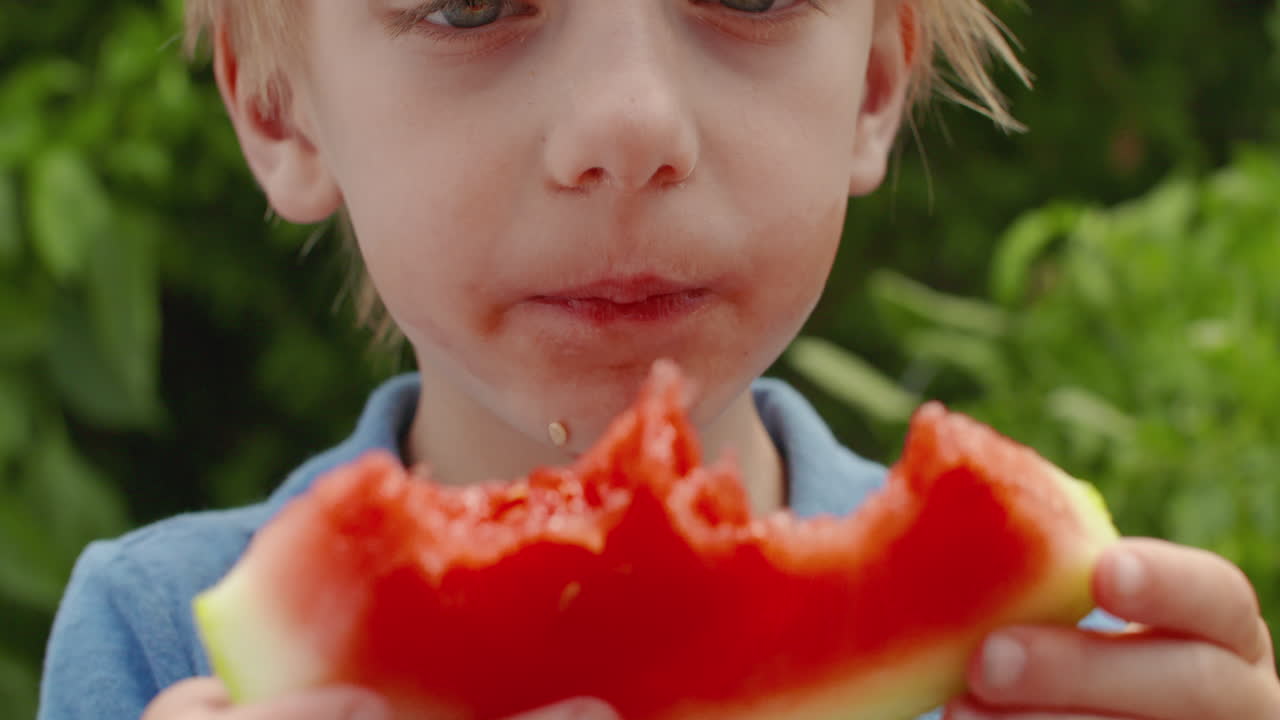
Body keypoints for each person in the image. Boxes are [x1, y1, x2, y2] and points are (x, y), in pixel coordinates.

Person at [37, 1, 1280, 719]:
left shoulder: (1055, 662)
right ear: (279, 111)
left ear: (871, 86)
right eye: (470, 1)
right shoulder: (157, 640)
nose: (629, 126)